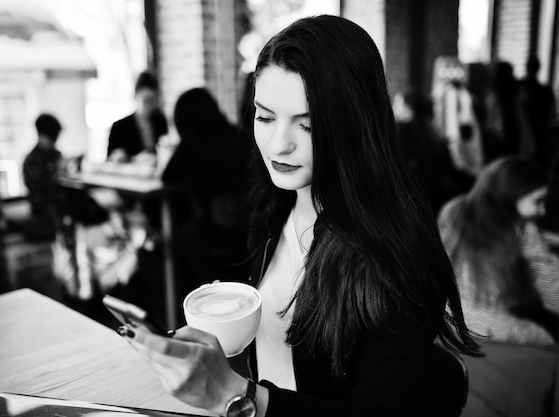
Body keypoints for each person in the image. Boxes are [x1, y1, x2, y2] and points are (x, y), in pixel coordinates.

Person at [119, 15, 481, 417]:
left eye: (307, 126)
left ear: (354, 126)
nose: (278, 145)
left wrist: (239, 397)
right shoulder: (277, 205)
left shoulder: (393, 249)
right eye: (265, 117)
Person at [438, 157, 559, 345]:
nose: (542, 211)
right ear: (512, 194)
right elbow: (553, 291)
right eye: (538, 201)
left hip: (446, 320)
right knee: (546, 338)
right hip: (489, 327)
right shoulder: (522, 231)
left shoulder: (454, 212)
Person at [162, 88, 250, 298]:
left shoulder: (192, 144)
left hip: (213, 231)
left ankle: (187, 301)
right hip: (250, 229)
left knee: (177, 235)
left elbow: (168, 177)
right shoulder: (241, 135)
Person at [107, 70, 168, 162]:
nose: (149, 106)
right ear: (136, 97)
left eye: (153, 100)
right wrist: (124, 158)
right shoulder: (120, 127)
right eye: (145, 101)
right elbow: (109, 160)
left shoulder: (160, 121)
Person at [22, 113, 64, 235]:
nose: (54, 142)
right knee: (56, 215)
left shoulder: (56, 155)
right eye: (52, 137)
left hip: (59, 199)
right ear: (42, 135)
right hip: (43, 203)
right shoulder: (32, 159)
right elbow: (37, 189)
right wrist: (56, 175)